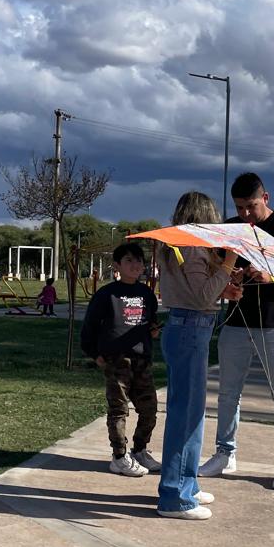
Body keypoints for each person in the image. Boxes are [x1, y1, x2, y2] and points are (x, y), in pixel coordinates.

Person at [199, 172, 274, 492]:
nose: (246, 214)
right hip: (237, 321)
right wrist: (230, 278)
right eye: (240, 208)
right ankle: (225, 453)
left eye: (251, 206)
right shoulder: (231, 227)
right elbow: (213, 268)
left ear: (266, 198)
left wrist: (272, 275)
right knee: (227, 392)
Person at [157, 191, 241, 521]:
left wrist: (225, 286)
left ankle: (185, 484)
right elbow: (201, 294)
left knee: (191, 412)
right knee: (186, 415)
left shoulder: (180, 246)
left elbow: (200, 291)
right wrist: (229, 263)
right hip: (190, 328)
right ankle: (175, 496)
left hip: (191, 327)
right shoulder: (190, 246)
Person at [81, 241, 160, 477]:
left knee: (149, 409)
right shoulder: (106, 294)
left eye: (138, 260)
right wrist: (95, 354)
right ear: (117, 265)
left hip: (141, 359)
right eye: (128, 261)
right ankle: (119, 456)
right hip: (116, 360)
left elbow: (150, 323)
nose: (135, 265)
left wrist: (153, 332)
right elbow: (90, 328)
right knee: (119, 410)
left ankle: (140, 450)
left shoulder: (147, 293)